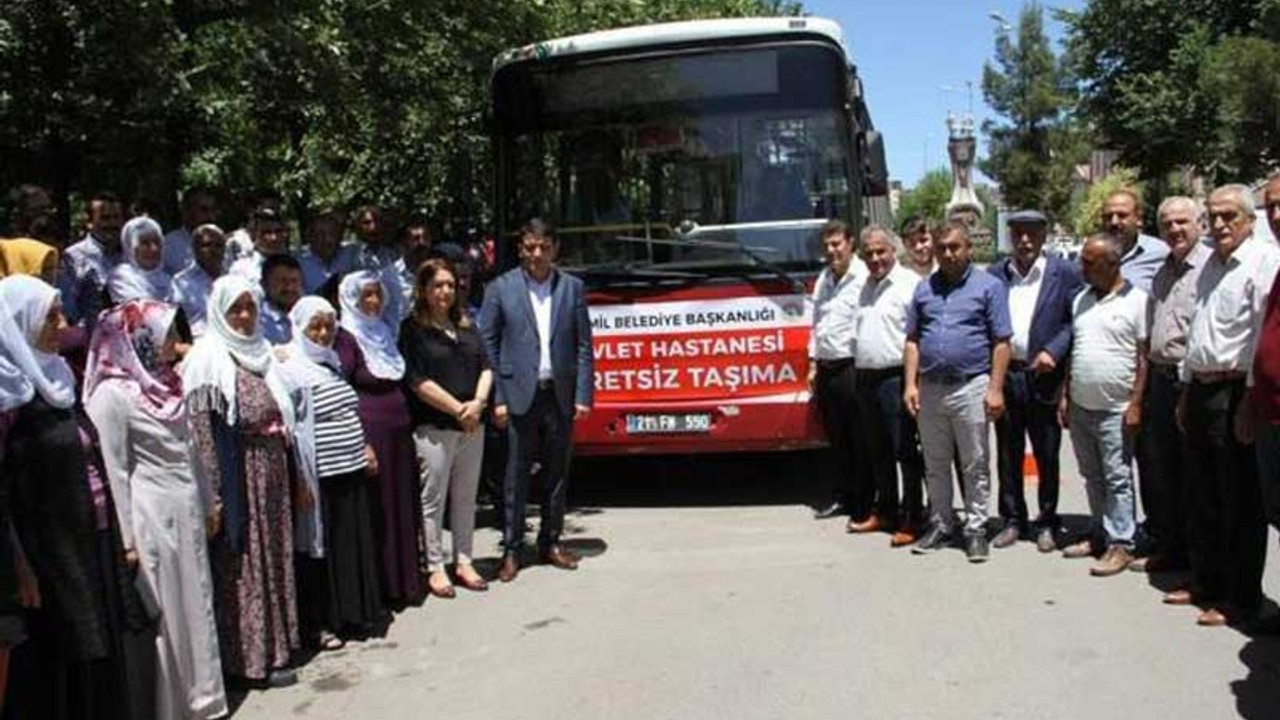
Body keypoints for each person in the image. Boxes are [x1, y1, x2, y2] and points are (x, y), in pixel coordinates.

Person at [0, 275, 153, 720]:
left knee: (101, 650)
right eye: (51, 316)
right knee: (62, 661)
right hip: (48, 555)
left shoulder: (58, 375)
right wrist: (18, 564)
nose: (63, 323)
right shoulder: (9, 399)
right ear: (17, 323)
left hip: (92, 535)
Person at [83, 299, 228, 719]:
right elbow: (115, 469)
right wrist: (127, 539)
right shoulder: (113, 394)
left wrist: (208, 500)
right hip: (151, 514)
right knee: (168, 612)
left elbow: (192, 449)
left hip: (186, 508)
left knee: (196, 602)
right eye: (166, 333)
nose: (175, 342)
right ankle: (173, 706)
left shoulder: (167, 384)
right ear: (136, 337)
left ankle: (206, 698)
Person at [182, 275, 301, 686]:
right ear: (219, 311)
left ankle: (279, 647)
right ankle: (248, 661)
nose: (245, 316)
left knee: (273, 556)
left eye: (251, 307)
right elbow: (202, 432)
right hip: (239, 475)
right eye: (236, 308)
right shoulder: (207, 358)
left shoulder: (262, 352)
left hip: (271, 470)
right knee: (245, 563)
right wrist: (214, 495)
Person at [1176, 184, 1280, 628]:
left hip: (1235, 392)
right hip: (1200, 388)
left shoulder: (1262, 263)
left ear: (1248, 220)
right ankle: (1207, 581)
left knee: (1239, 500)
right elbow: (1198, 329)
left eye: (1228, 216)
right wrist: (1184, 389)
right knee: (1203, 493)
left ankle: (1241, 597)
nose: (1219, 225)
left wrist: (1249, 403)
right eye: (1213, 217)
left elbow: (1261, 337)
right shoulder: (1210, 267)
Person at [480, 219, 593, 582]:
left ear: (555, 248)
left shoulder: (572, 288)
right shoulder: (501, 288)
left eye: (544, 247)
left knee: (556, 473)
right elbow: (489, 345)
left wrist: (582, 394)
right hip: (516, 396)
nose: (537, 254)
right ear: (520, 249)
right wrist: (497, 396)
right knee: (514, 475)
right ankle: (512, 549)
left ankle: (551, 541)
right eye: (530, 247)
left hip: (558, 394)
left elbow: (584, 346)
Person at [275, 297, 384, 649]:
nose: (322, 334)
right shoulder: (289, 366)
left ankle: (355, 614)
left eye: (328, 326)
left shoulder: (332, 361)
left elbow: (349, 412)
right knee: (320, 551)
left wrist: (364, 446)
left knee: (349, 543)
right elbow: (290, 429)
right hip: (319, 475)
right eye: (315, 327)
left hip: (349, 466)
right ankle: (321, 623)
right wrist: (299, 479)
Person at [903, 221, 1011, 562]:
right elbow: (913, 340)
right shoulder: (924, 289)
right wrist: (910, 383)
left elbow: (1002, 341)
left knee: (975, 463)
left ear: (969, 249)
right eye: (942, 248)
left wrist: (995, 388)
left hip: (971, 386)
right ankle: (941, 523)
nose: (947, 254)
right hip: (931, 389)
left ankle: (976, 528)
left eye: (954, 247)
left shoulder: (989, 287)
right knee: (934, 463)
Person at [987, 210, 1082, 552]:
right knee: (1008, 452)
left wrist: (1054, 351)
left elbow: (1076, 319)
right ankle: (1013, 519)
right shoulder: (996, 275)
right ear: (1009, 236)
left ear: (1044, 236)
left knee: (1046, 452)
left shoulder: (1065, 273)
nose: (1025, 240)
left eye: (1032, 234)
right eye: (1018, 234)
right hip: (1007, 374)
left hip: (1044, 377)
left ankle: (1047, 520)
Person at [401, 259, 492, 598]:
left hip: (472, 425)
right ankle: (435, 567)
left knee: (466, 498)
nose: (445, 292)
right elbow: (416, 380)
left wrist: (478, 404)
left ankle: (464, 561)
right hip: (435, 427)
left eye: (450, 285)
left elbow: (487, 366)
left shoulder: (468, 325)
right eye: (437, 285)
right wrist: (457, 409)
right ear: (423, 290)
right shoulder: (411, 330)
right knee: (433, 500)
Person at [1059, 234, 1148, 576]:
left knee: (1117, 477)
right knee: (1091, 475)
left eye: (1088, 262)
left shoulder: (1137, 301)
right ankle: (1101, 533)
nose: (1080, 267)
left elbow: (1143, 359)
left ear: (1112, 264)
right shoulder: (1081, 299)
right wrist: (1067, 395)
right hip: (1082, 405)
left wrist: (1136, 402)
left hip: (1116, 407)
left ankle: (1122, 543)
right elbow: (1075, 350)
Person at [336, 271, 423, 606]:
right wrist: (361, 442)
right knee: (380, 509)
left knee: (403, 504)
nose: (372, 303)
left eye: (376, 295)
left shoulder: (385, 332)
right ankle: (384, 587)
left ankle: (406, 582)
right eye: (365, 297)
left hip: (400, 433)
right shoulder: (345, 338)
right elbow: (344, 391)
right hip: (372, 434)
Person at [1134, 196, 1209, 575]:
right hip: (1159, 378)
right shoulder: (1163, 270)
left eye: (1182, 222)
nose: (1175, 229)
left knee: (1196, 476)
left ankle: (1203, 565)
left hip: (1190, 381)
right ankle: (1172, 548)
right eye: (1167, 224)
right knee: (1162, 469)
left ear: (1200, 223)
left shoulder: (1209, 268)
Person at [853, 226, 926, 546]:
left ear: (893, 251)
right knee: (877, 451)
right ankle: (886, 511)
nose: (875, 258)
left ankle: (912, 516)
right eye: (868, 253)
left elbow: (919, 337)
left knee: (905, 452)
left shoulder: (910, 285)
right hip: (866, 378)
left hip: (898, 378)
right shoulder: (863, 286)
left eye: (881, 251)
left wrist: (914, 383)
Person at [807, 220, 867, 524]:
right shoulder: (824, 278)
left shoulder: (863, 276)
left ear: (850, 243)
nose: (832, 251)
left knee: (860, 440)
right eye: (827, 246)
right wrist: (813, 362)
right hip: (827, 369)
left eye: (837, 244)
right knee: (837, 439)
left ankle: (864, 503)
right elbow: (816, 321)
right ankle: (844, 496)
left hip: (852, 368)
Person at [60, 191, 125, 325]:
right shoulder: (74, 256)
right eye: (105, 218)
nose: (112, 223)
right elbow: (69, 309)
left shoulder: (131, 253)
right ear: (89, 222)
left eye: (116, 217)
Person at [1103, 188, 1168, 293]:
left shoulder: (1161, 253)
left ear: (1138, 219)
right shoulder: (1091, 256)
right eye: (1108, 216)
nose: (1114, 222)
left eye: (1122, 215)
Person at [349, 205, 406, 324]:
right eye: (366, 222)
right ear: (358, 226)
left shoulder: (392, 255)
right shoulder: (349, 254)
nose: (373, 227)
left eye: (377, 221)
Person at [173, 225, 227, 339]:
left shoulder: (232, 280)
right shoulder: (180, 282)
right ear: (194, 249)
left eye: (218, 245)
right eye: (206, 245)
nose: (213, 250)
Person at [108, 216, 174, 304]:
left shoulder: (168, 279)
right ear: (130, 246)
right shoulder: (121, 276)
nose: (154, 249)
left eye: (157, 242)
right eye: (145, 243)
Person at [163, 188, 219, 275]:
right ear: (186, 210)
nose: (210, 216)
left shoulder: (222, 246)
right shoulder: (168, 246)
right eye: (204, 210)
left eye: (213, 210)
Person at [228, 208, 289, 285]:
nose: (274, 238)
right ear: (254, 235)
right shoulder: (240, 269)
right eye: (267, 232)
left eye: (278, 231)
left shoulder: (299, 265)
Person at [298, 212, 355, 294]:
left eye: (332, 233)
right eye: (320, 234)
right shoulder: (299, 263)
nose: (327, 239)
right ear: (309, 236)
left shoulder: (352, 255)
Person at [224, 191, 282, 270]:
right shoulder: (234, 242)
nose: (273, 214)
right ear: (251, 211)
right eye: (269, 208)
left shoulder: (279, 238)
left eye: (277, 209)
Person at [259, 254, 304, 346]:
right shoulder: (257, 322)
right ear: (264, 284)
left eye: (294, 281)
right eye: (282, 281)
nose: (290, 288)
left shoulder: (309, 315)